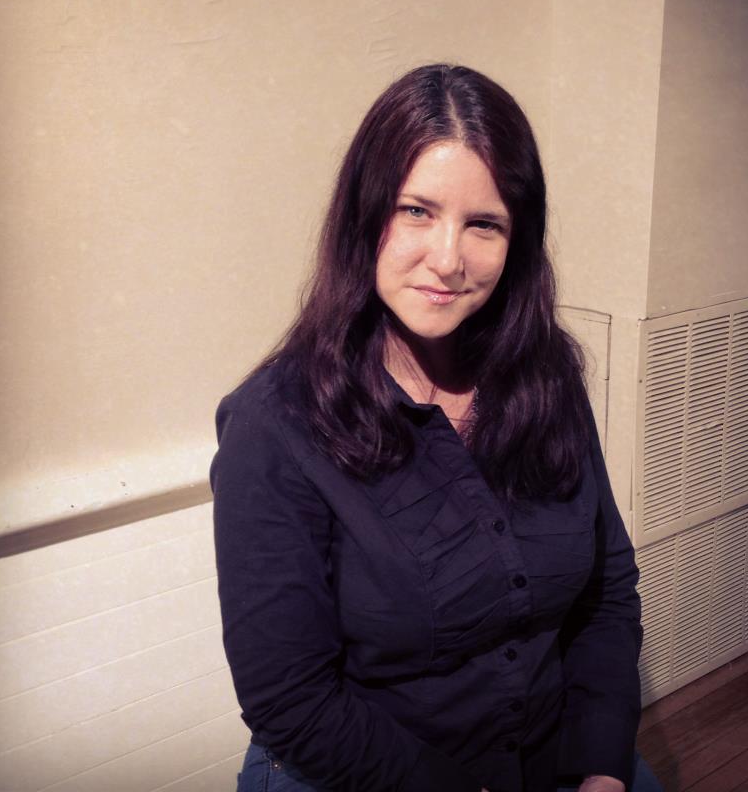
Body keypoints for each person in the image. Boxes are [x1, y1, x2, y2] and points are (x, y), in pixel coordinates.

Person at [210, 65, 660, 792]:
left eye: (484, 224)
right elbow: (293, 702)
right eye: (416, 210)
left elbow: (606, 591)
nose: (448, 261)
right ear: (364, 216)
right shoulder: (274, 423)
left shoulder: (547, 376)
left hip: (556, 759)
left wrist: (602, 766)